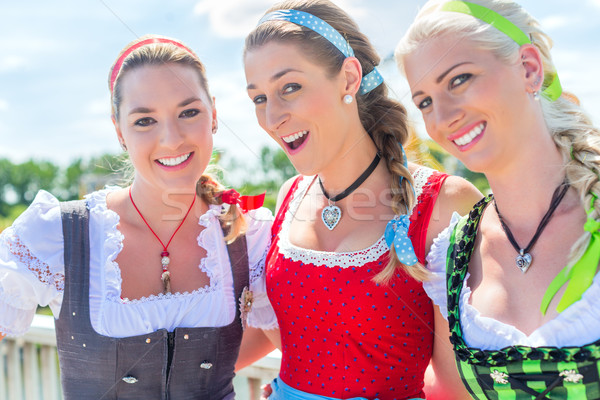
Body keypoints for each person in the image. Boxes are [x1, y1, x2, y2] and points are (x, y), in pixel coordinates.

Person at [0, 34, 276, 399]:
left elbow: (305, 345)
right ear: (119, 132)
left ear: (214, 115)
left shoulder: (249, 237)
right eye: (145, 120)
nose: (171, 139)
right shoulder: (57, 234)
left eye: (189, 112)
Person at [243, 1, 482, 399]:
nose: (272, 118)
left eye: (290, 88)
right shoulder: (288, 198)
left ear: (349, 78)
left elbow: (459, 387)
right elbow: (306, 342)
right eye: (258, 98)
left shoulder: (444, 205)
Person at [396, 0, 600, 398]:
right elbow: (450, 392)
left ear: (529, 68)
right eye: (424, 102)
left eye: (459, 80)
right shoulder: (452, 255)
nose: (443, 116)